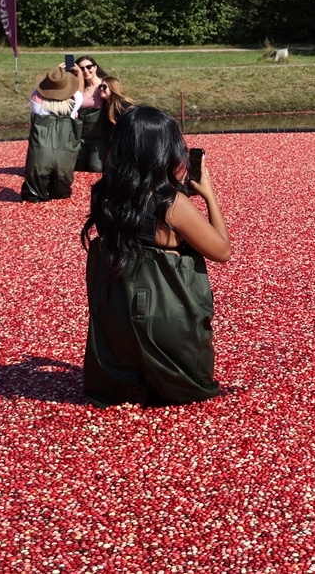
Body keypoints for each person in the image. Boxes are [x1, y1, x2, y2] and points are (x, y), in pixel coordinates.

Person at [81, 106, 230, 408]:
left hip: (118, 320)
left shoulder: (106, 195)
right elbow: (221, 251)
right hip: (164, 319)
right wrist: (209, 195)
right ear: (163, 149)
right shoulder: (171, 204)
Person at [21, 63, 86, 203]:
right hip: (65, 150)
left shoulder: (36, 101)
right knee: (61, 186)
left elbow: (38, 90)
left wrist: (54, 75)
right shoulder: (76, 100)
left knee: (34, 188)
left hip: (41, 150)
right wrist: (79, 74)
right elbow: (80, 90)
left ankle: (36, 196)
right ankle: (59, 193)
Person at [73, 56, 110, 173]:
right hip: (80, 136)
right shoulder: (77, 87)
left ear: (95, 67)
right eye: (81, 68)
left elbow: (117, 101)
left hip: (99, 137)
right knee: (78, 168)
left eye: (89, 67)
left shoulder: (105, 85)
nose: (85, 71)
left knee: (96, 169)